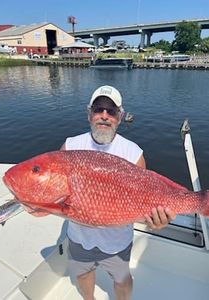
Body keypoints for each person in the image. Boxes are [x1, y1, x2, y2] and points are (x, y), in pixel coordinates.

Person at [60, 85, 176, 300]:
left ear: (119, 117)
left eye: (111, 111)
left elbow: (144, 201)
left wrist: (155, 221)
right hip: (79, 238)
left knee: (122, 280)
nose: (104, 116)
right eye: (98, 109)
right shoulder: (70, 146)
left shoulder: (133, 153)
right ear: (89, 114)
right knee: (84, 274)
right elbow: (58, 190)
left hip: (117, 241)